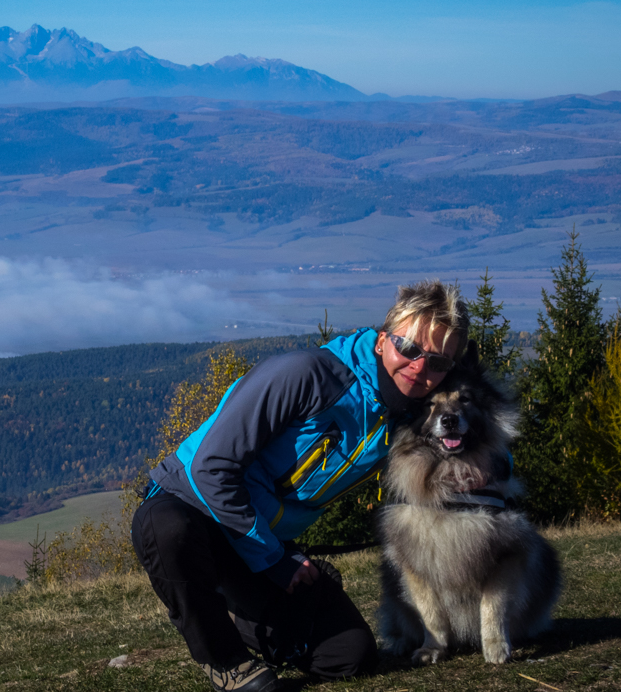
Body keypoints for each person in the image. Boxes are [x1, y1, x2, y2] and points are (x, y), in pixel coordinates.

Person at [132, 281, 469, 692]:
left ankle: (236, 614)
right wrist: (274, 561)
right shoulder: (306, 375)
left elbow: (471, 426)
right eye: (410, 349)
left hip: (258, 541)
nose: (420, 368)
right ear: (382, 342)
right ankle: (225, 662)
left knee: (349, 654)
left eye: (437, 363)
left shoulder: (403, 414)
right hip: (191, 507)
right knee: (168, 531)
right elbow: (211, 468)